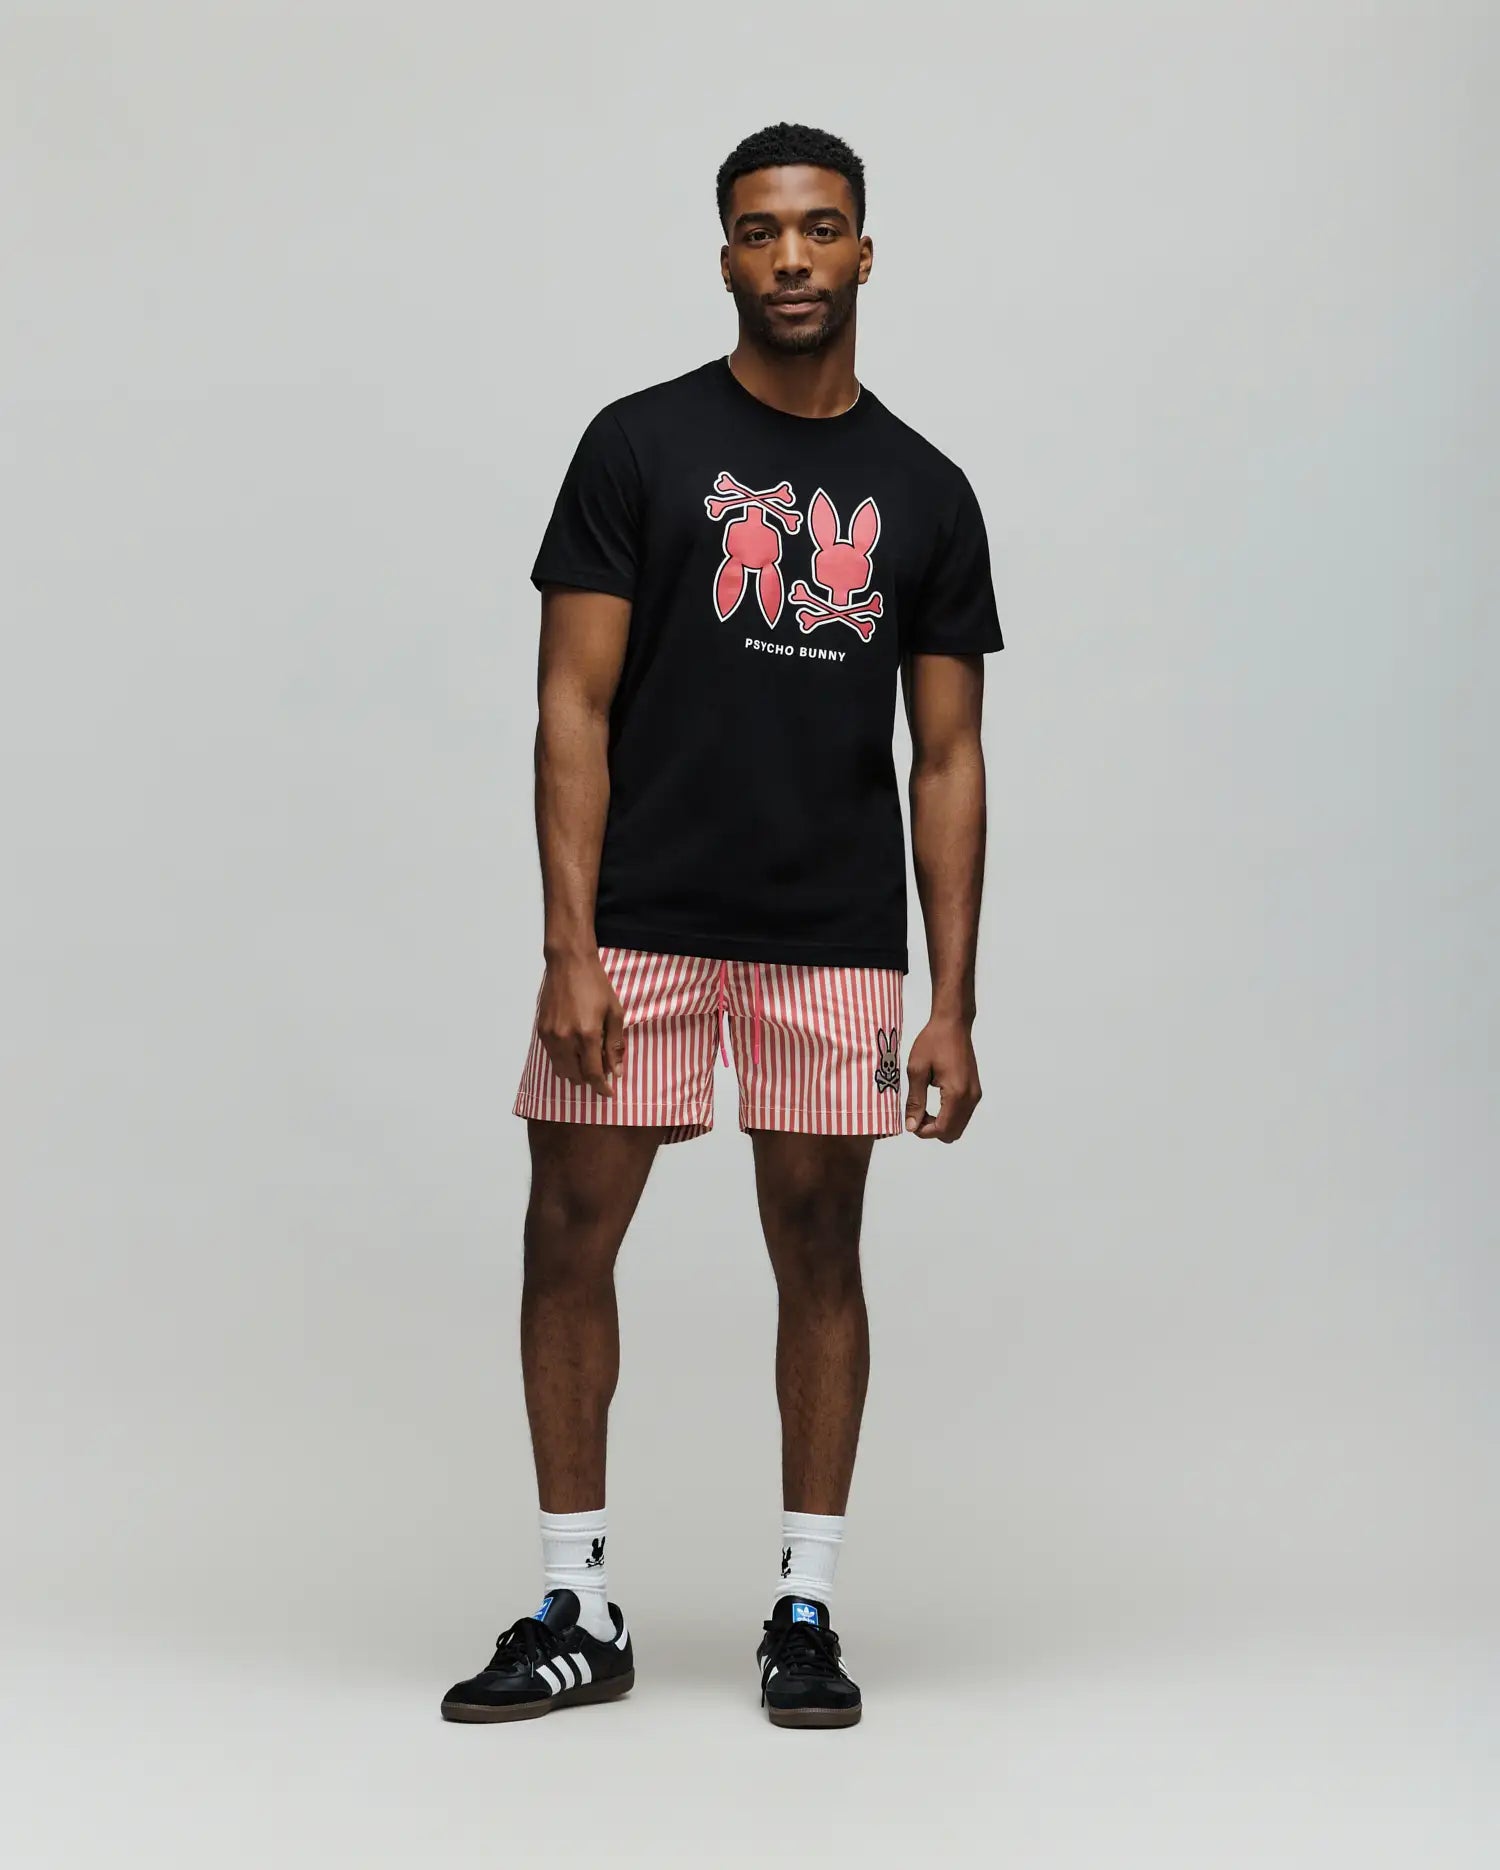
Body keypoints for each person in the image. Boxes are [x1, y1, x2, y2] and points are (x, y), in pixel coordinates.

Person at [440, 120, 1003, 1731]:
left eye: (822, 230)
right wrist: (566, 945)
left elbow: (948, 757)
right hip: (641, 928)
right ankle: (577, 1596)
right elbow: (572, 707)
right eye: (761, 233)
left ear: (867, 252)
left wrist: (951, 999)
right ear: (726, 256)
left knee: (820, 1248)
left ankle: (805, 1606)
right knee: (569, 1233)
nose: (793, 260)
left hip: (833, 936)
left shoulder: (926, 491)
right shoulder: (637, 447)